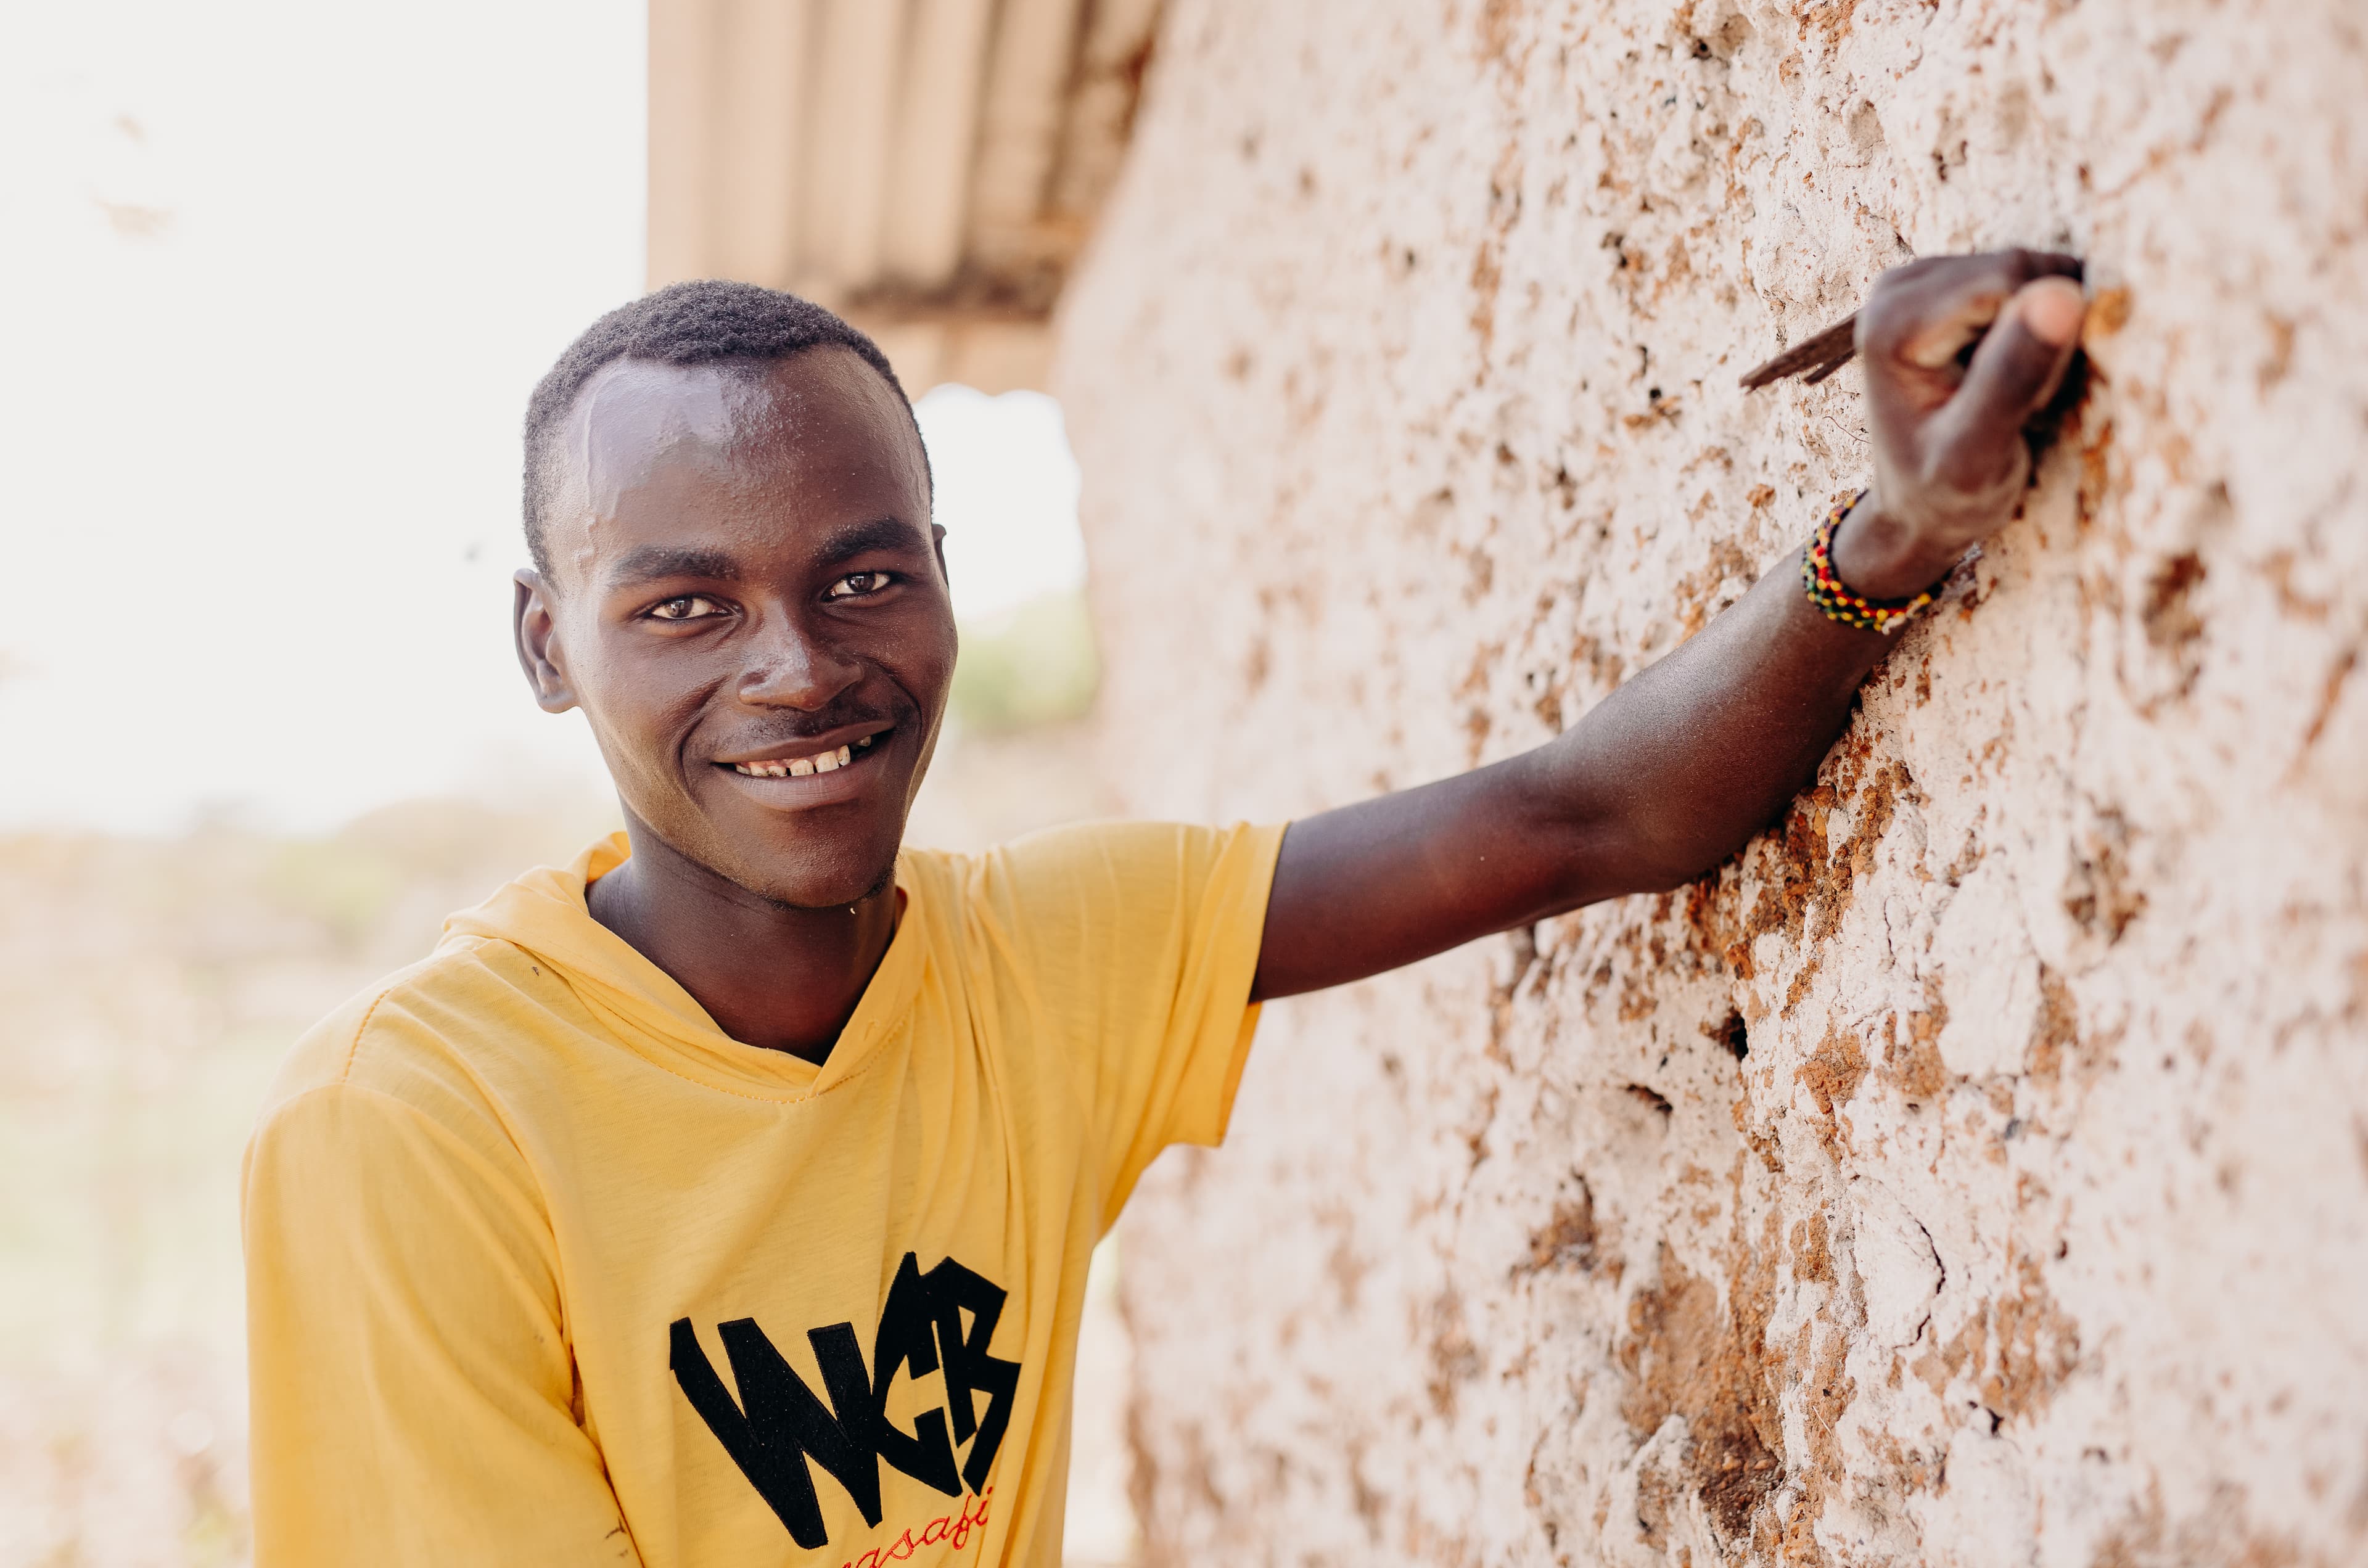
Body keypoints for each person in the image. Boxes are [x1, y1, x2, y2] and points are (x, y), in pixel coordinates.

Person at [241, 252, 2086, 1566]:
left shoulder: (1045, 967)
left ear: (945, 587)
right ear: (547, 645)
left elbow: (1588, 814)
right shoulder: (413, 1126)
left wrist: (1895, 537)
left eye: (862, 574)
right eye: (683, 608)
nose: (800, 668)